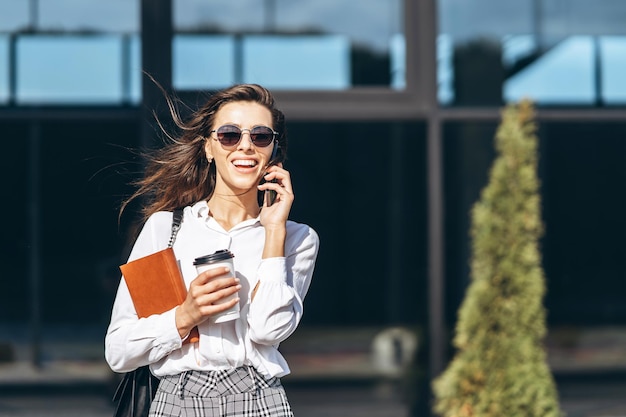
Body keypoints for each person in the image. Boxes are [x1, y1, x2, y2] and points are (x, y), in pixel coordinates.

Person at [105, 84, 319, 417]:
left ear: (273, 152)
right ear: (209, 147)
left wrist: (274, 231)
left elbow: (267, 329)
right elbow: (119, 351)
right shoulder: (166, 231)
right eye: (230, 135)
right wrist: (185, 315)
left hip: (259, 400)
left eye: (261, 136)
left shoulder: (297, 238)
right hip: (177, 399)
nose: (245, 145)